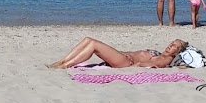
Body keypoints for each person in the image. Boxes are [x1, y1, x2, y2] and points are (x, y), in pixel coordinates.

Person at [49, 37, 189, 69]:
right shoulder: (160, 53)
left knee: (93, 45)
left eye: (174, 46)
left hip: (125, 62)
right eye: (171, 43)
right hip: (124, 56)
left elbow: (148, 65)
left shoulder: (165, 59)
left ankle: (65, 65)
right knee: (88, 39)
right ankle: (63, 60)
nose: (170, 45)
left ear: (177, 52)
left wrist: (133, 64)